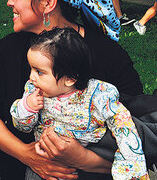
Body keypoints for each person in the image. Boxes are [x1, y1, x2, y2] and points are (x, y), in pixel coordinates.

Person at [0, 0, 148, 180]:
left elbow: (138, 137)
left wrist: (84, 160)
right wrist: (27, 155)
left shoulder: (108, 55)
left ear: (48, 2)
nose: (9, 1)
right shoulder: (11, 47)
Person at [10, 27, 149, 180]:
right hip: (44, 166)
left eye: (39, 72)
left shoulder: (97, 95)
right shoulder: (34, 90)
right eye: (31, 69)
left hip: (86, 170)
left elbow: (123, 124)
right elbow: (23, 127)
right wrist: (26, 107)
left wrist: (130, 165)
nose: (31, 77)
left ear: (70, 78)